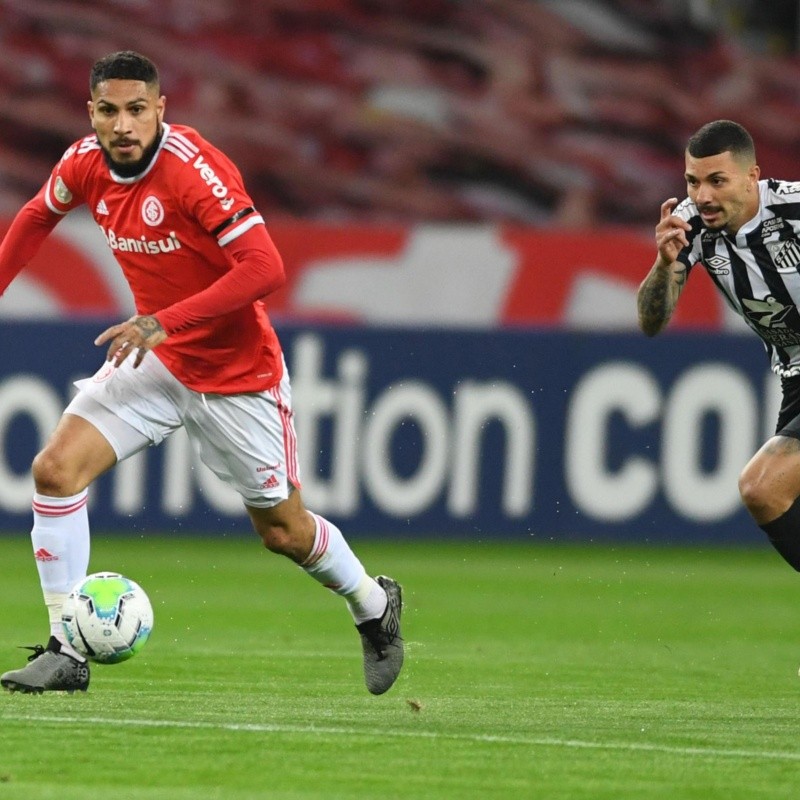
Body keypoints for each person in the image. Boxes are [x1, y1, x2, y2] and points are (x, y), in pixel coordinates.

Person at [0, 51, 403, 695]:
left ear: (161, 109)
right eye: (109, 111)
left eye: (137, 110)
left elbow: (265, 268)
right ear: (92, 113)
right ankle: (65, 649)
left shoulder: (193, 172)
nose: (123, 125)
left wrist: (163, 321)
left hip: (236, 374)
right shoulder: (83, 162)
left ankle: (373, 607)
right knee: (54, 470)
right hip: (157, 362)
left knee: (283, 532)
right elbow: (35, 216)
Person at [638, 118, 800, 581]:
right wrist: (664, 264)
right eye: (693, 181)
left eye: (717, 181)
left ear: (752, 177)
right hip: (794, 376)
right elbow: (652, 321)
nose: (703, 195)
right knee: (772, 497)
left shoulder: (793, 208)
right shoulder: (688, 225)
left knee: (762, 487)